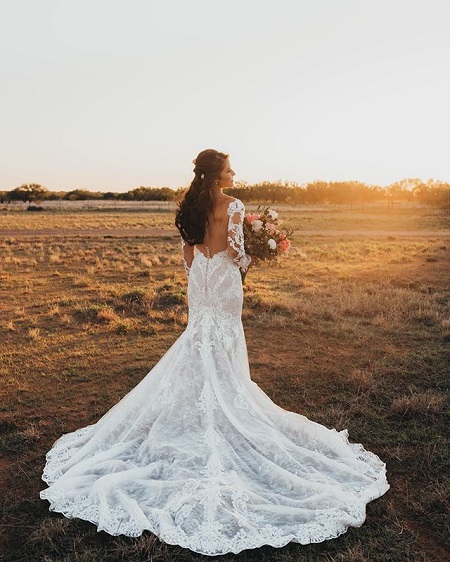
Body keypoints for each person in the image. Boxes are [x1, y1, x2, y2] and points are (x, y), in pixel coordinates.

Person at [40, 149, 389, 557]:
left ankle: (205, 396)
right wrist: (257, 252)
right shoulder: (234, 205)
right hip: (223, 276)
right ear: (218, 175)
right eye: (229, 169)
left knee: (199, 335)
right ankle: (226, 397)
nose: (234, 173)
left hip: (201, 278)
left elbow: (187, 254)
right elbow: (238, 250)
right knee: (223, 338)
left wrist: (201, 270)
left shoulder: (190, 206)